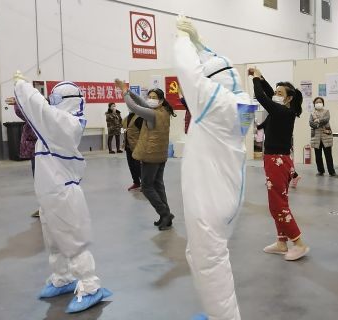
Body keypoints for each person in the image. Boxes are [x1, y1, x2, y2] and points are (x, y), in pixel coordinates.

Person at [174, 16, 257, 320]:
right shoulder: (240, 102)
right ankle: (215, 312)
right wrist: (199, 44)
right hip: (223, 196)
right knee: (202, 257)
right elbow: (208, 71)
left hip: (209, 201)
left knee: (210, 263)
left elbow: (190, 74)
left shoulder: (216, 106)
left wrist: (183, 39)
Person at [12, 73, 111, 313]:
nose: (51, 100)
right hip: (49, 192)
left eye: (55, 96)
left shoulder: (65, 123)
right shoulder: (56, 121)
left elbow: (39, 108)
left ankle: (89, 285)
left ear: (66, 99)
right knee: (54, 241)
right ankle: (62, 277)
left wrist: (22, 85)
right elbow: (35, 111)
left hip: (62, 193)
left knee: (72, 241)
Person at [251, 67, 310, 262]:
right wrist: (262, 76)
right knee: (279, 202)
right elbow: (269, 93)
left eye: (280, 93)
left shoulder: (283, 112)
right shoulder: (283, 109)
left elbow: (262, 96)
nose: (275, 95)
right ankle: (281, 242)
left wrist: (256, 79)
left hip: (277, 161)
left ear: (289, 98)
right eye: (275, 92)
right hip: (277, 160)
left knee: (277, 205)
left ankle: (299, 243)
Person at [116, 82, 176, 230]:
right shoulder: (164, 111)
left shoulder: (152, 113)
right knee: (158, 185)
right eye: (149, 97)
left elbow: (134, 107)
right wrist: (128, 91)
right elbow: (141, 102)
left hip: (150, 155)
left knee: (147, 187)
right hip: (160, 155)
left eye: (154, 97)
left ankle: (164, 213)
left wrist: (124, 93)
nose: (150, 99)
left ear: (161, 100)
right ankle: (166, 216)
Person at [6, 96, 40, 217]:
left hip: (39, 151)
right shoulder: (39, 111)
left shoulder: (37, 113)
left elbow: (21, 113)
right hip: (36, 150)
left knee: (40, 179)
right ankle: (44, 207)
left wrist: (18, 102)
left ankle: (45, 208)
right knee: (39, 179)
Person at [258, 116, 302, 188]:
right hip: (272, 144)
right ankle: (294, 176)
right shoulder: (271, 115)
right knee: (274, 163)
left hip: (277, 144)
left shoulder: (280, 115)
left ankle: (294, 176)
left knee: (282, 163)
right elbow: (263, 125)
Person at [309, 97, 337, 177]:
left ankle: (332, 172)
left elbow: (326, 120)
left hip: (326, 136)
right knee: (318, 156)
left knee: (328, 156)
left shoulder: (326, 111)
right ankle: (320, 171)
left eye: (320, 102)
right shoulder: (312, 113)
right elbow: (311, 123)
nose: (318, 103)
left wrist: (318, 121)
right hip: (316, 137)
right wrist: (318, 123)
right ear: (314, 104)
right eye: (317, 102)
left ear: (323, 103)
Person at [123, 111, 143, 191]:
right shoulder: (126, 118)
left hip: (137, 147)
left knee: (138, 166)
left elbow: (143, 133)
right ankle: (136, 182)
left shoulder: (139, 117)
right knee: (131, 166)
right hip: (128, 146)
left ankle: (144, 184)